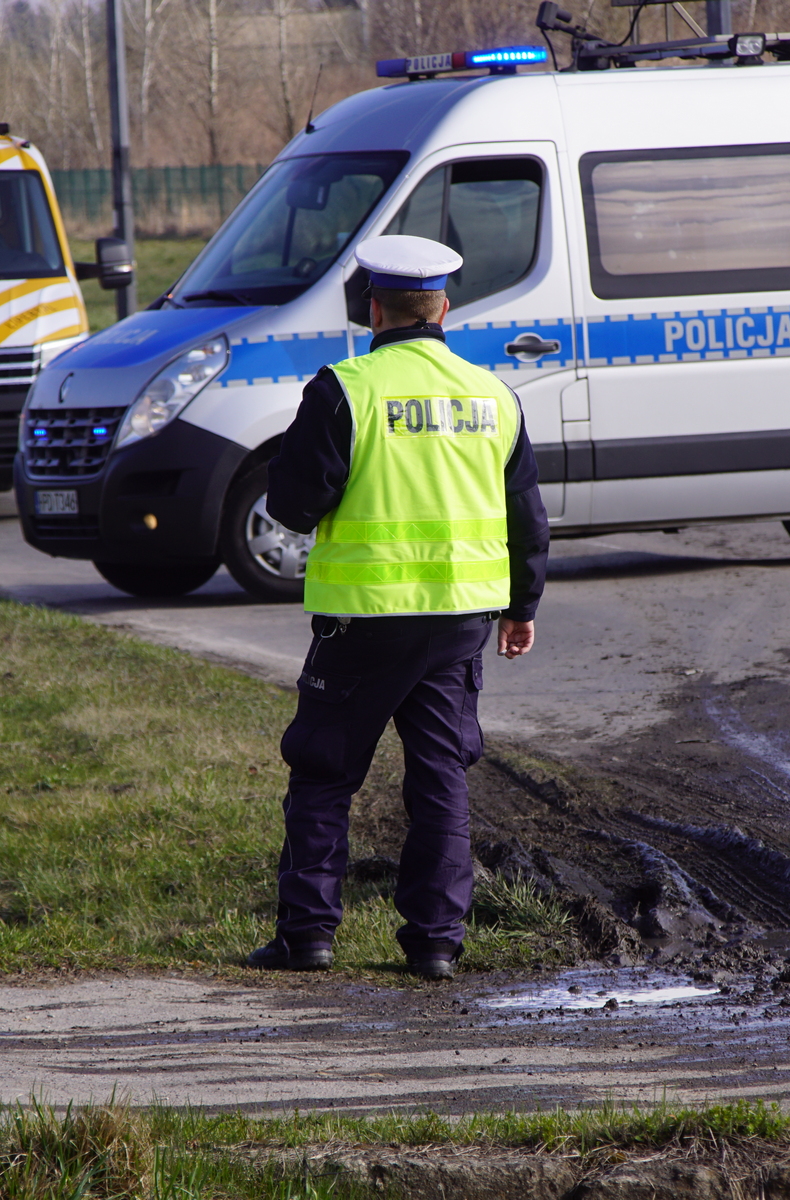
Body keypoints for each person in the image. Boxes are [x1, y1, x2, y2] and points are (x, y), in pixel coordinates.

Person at [248, 235, 550, 981]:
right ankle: (435, 944)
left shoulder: (345, 388)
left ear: (373, 308)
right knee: (441, 778)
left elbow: (290, 505)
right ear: (444, 307)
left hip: (363, 619)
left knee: (323, 775)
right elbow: (527, 517)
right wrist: (522, 606)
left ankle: (308, 936)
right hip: (458, 626)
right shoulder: (493, 396)